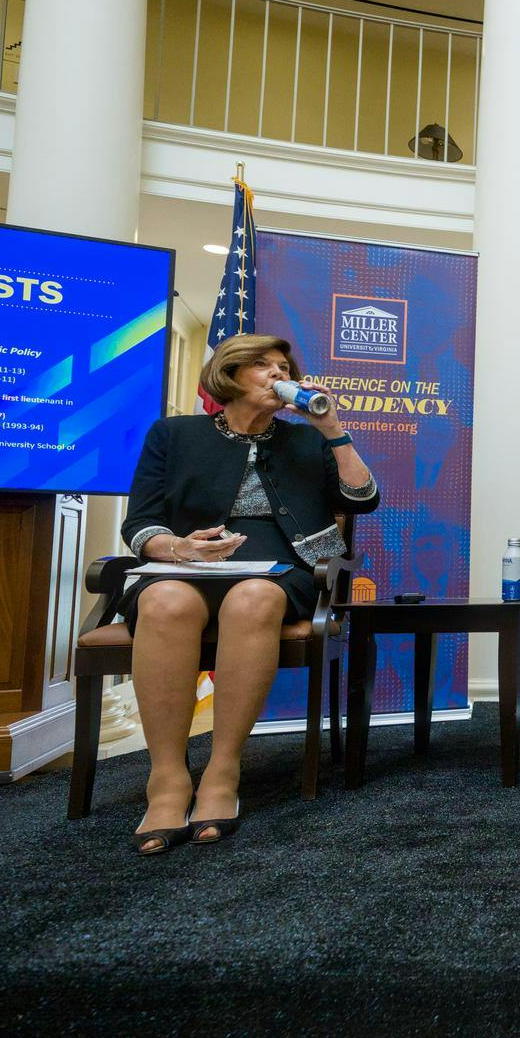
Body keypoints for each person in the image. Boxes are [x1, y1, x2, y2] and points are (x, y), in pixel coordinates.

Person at [118, 334, 378, 855]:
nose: (277, 374)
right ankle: (167, 778)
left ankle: (221, 771)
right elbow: (140, 522)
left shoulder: (306, 441)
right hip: (190, 564)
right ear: (230, 376)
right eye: (262, 365)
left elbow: (363, 499)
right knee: (165, 602)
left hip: (286, 568)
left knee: (253, 598)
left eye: (283, 366)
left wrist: (332, 430)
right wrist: (176, 548)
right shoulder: (174, 434)